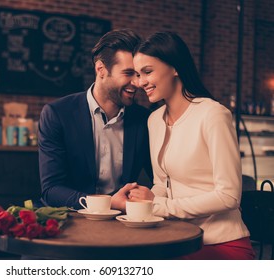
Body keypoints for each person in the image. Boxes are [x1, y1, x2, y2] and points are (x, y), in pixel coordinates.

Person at [127, 31, 255, 259]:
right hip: (176, 238)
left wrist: (158, 206)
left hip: (220, 242)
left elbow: (229, 196)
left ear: (175, 68)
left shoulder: (213, 114)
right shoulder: (154, 120)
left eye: (147, 72)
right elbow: (161, 184)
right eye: (137, 74)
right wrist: (143, 198)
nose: (140, 82)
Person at [38, 29, 153, 211]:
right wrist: (104, 204)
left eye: (138, 74)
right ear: (101, 69)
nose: (137, 83)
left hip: (122, 221)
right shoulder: (57, 114)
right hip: (72, 218)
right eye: (128, 73)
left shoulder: (144, 119)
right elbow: (51, 190)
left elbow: (158, 179)